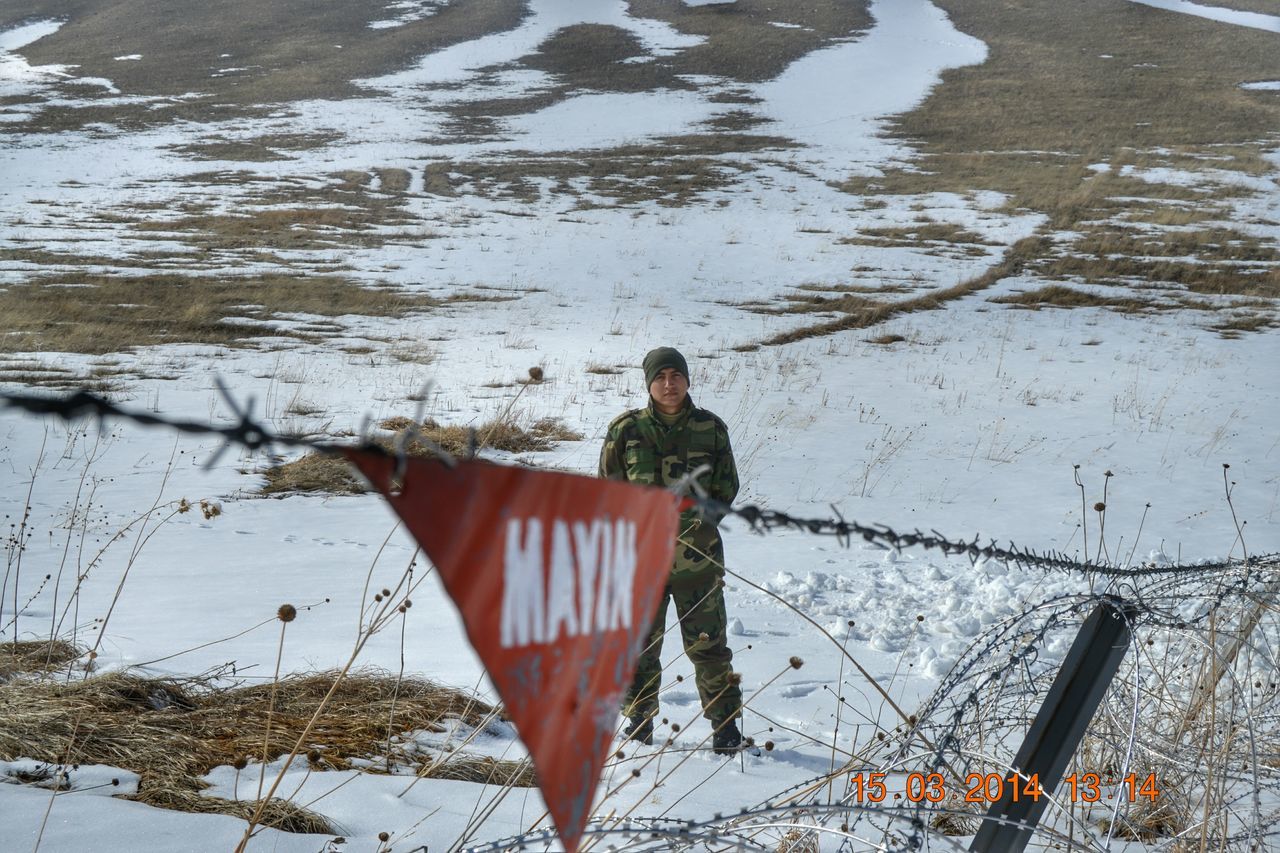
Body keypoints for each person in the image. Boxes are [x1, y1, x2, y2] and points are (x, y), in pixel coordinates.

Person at [598, 346, 743, 755]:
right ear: (649, 382)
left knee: (709, 648)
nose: (668, 384)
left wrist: (697, 524)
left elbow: (726, 488)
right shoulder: (625, 430)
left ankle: (726, 727)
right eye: (660, 377)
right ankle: (639, 721)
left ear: (686, 380)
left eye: (675, 376)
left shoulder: (710, 428)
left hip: (698, 563)